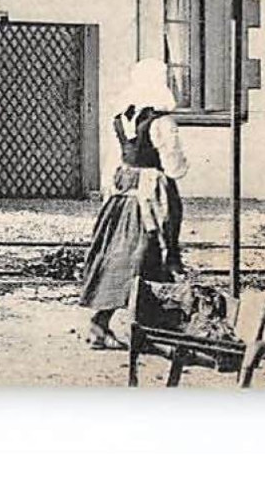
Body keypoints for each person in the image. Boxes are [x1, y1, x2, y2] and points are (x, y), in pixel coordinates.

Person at [79, 59, 189, 350]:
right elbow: (175, 167)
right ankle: (147, 332)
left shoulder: (122, 119)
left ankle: (104, 325)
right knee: (150, 254)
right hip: (150, 196)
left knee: (122, 255)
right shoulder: (161, 122)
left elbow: (116, 160)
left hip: (123, 195)